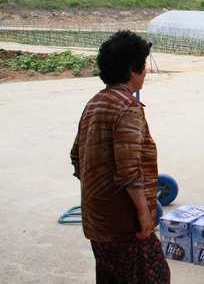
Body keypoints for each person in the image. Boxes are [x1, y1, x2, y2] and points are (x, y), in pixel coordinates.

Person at [70, 30, 170, 283]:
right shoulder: (128, 107)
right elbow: (128, 170)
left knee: (111, 276)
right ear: (131, 70)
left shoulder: (94, 103)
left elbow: (76, 156)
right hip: (122, 225)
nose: (145, 72)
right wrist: (143, 213)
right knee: (154, 275)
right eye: (143, 66)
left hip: (96, 220)